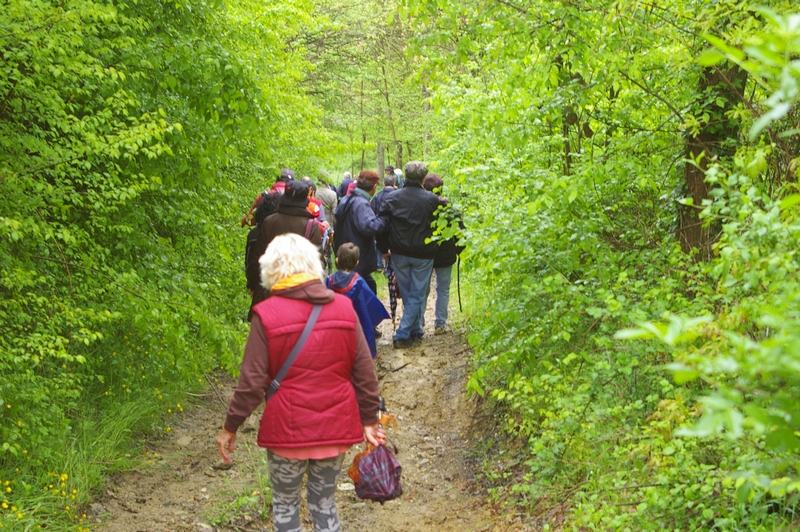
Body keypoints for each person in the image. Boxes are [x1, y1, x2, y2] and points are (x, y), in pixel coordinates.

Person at [216, 233, 385, 532]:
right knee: (324, 505)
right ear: (313, 266)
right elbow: (364, 371)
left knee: (285, 506)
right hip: (335, 428)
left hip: (286, 431)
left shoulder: (265, 315)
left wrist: (231, 426)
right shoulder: (344, 308)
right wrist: (369, 418)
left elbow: (252, 382)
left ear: (270, 271)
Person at [377, 161, 440, 348]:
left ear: (405, 176)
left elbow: (382, 226)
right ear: (422, 178)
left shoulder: (393, 198)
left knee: (409, 293)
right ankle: (403, 333)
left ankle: (414, 330)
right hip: (423, 254)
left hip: (399, 252)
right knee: (417, 294)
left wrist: (383, 249)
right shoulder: (431, 200)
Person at [248, 180, 323, 310]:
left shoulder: (269, 221)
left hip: (270, 290)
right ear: (306, 199)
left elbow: (258, 259)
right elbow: (318, 262)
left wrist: (254, 285)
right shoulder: (312, 226)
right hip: (299, 291)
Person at [326, 243, 390, 358]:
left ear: (336, 260)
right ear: (357, 263)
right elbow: (368, 304)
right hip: (353, 324)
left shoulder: (328, 281)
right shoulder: (358, 282)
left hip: (334, 324)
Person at [422, 173, 465, 335]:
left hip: (425, 254)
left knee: (423, 289)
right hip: (445, 256)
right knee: (443, 289)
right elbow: (460, 234)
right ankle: (440, 323)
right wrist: (459, 250)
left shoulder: (422, 209)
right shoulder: (451, 210)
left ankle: (419, 323)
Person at [334, 170, 387, 295]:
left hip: (346, 253)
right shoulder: (361, 203)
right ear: (374, 187)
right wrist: (384, 219)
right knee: (365, 292)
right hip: (357, 256)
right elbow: (369, 227)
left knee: (364, 287)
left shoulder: (347, 199)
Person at [244, 192, 280, 296]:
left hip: (260, 285)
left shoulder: (254, 234)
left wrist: (251, 284)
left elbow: (250, 262)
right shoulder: (281, 234)